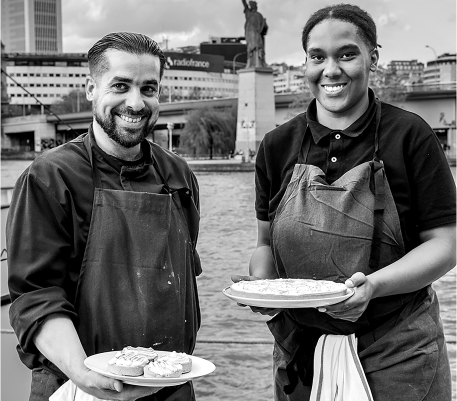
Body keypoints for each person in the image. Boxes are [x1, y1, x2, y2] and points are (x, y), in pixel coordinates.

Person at [233, 4, 456, 401]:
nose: (330, 69)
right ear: (305, 63)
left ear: (373, 57)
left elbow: (446, 243)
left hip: (398, 352)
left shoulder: (411, 136)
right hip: (300, 355)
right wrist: (262, 287)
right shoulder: (276, 145)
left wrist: (373, 286)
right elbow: (265, 244)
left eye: (346, 54)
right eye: (317, 57)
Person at [7, 32, 202, 401]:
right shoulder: (49, 177)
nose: (136, 102)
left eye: (148, 88)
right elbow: (35, 297)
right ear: (91, 89)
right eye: (120, 85)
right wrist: (85, 374)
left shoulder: (179, 176)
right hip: (77, 384)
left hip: (169, 386)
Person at [241, 0, 268, 68]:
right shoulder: (248, 13)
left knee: (258, 48)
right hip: (249, 34)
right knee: (251, 49)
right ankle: (250, 63)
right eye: (252, 5)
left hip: (257, 33)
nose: (253, 7)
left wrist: (264, 25)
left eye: (254, 5)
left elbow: (264, 28)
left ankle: (259, 63)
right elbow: (244, 4)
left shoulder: (259, 15)